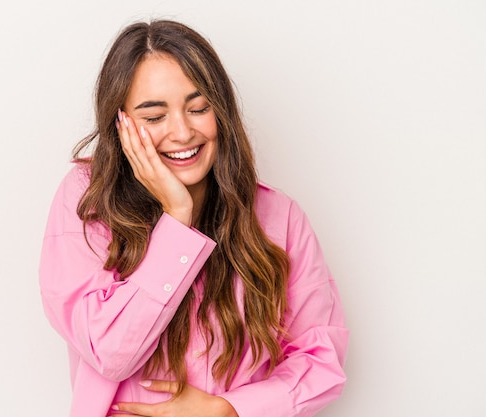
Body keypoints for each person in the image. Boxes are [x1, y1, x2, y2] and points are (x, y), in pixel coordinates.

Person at [39, 19, 348, 417]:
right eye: (154, 117)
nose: (182, 132)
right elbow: (110, 351)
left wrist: (229, 409)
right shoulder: (88, 201)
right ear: (121, 125)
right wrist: (177, 218)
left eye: (198, 108)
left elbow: (321, 359)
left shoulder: (279, 216)